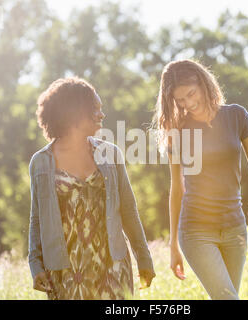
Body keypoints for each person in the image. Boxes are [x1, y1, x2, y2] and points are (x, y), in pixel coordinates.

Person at [28, 77, 155, 300]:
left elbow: (128, 210)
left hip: (113, 266)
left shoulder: (111, 153)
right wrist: (35, 266)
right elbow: (37, 219)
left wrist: (143, 258)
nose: (102, 114)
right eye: (95, 108)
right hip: (65, 271)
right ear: (75, 112)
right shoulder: (41, 162)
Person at [152, 59, 248, 299]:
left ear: (204, 84)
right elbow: (177, 188)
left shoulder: (236, 115)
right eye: (180, 100)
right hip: (196, 231)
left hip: (235, 228)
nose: (188, 103)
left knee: (227, 295)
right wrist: (173, 245)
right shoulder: (178, 130)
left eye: (191, 94)